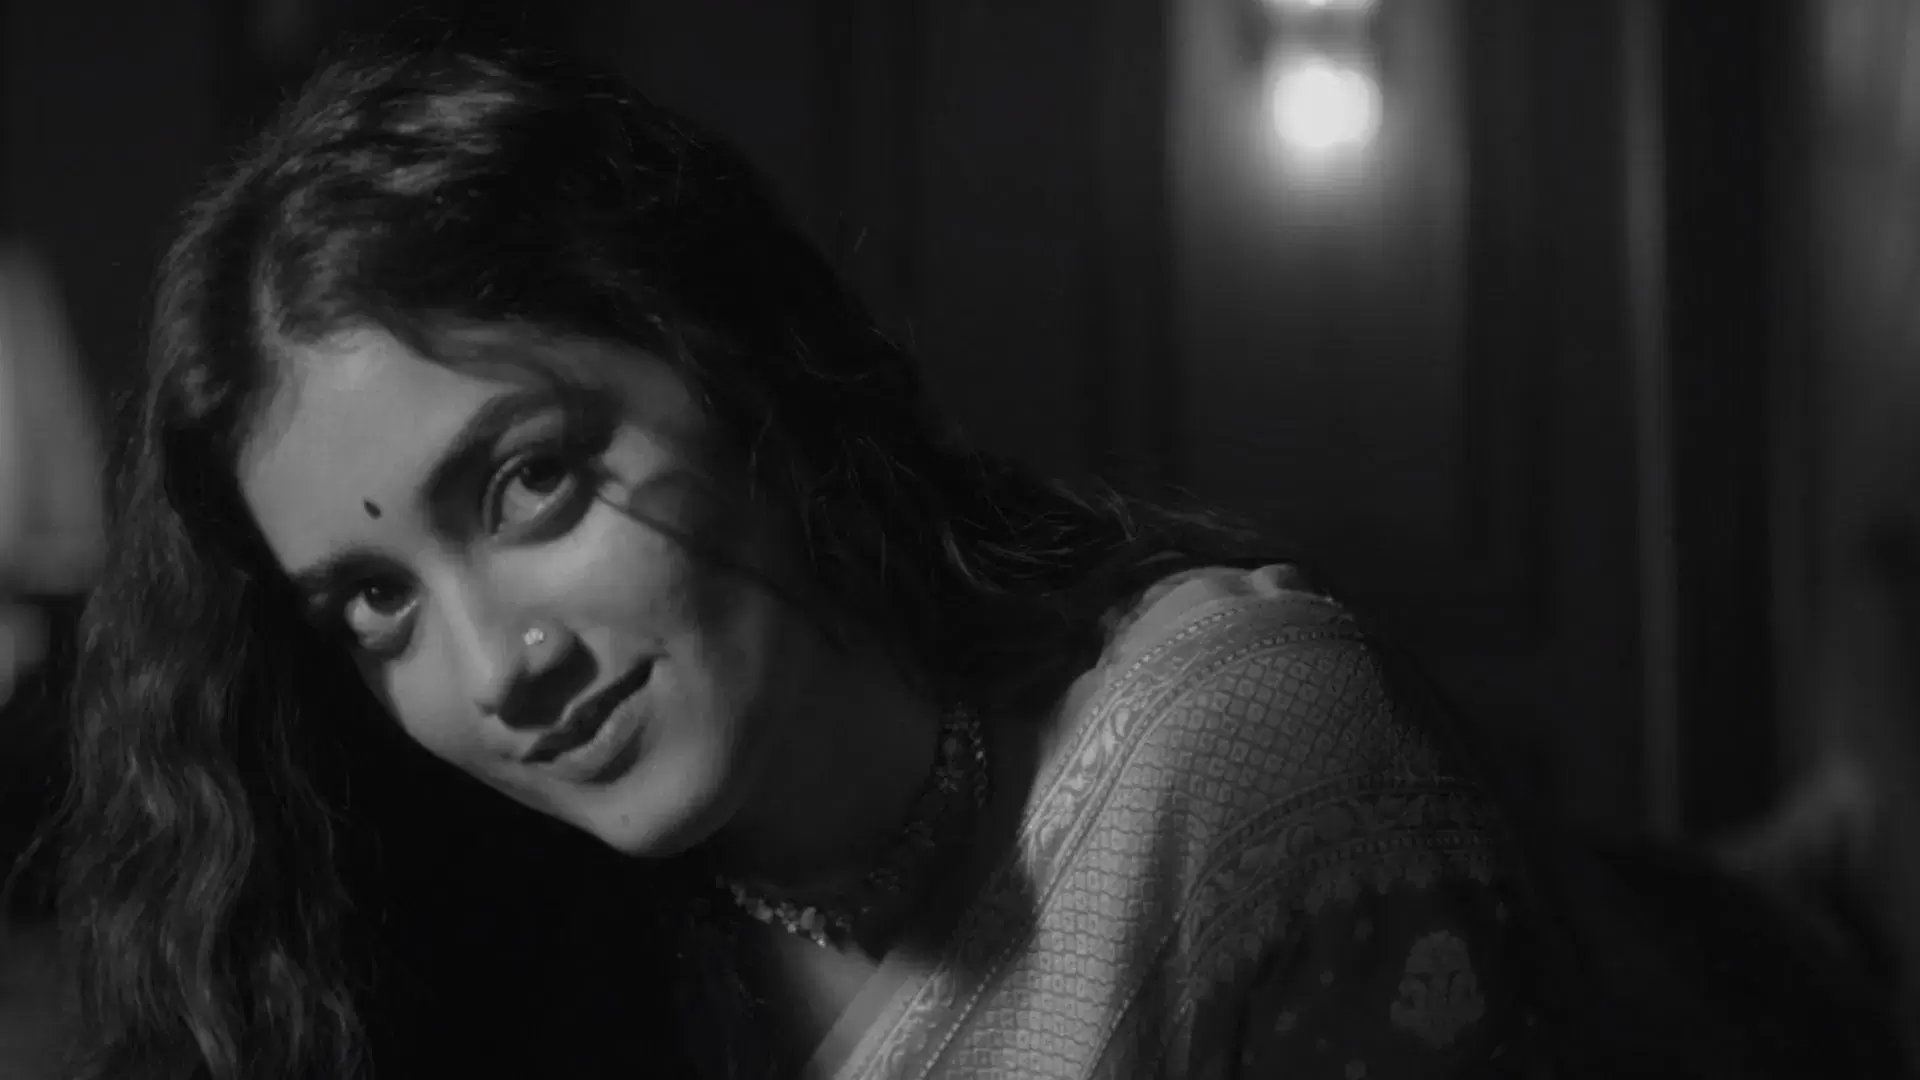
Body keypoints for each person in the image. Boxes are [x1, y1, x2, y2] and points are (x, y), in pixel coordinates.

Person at [55, 41, 1593, 1080]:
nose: (496, 670)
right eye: (376, 603)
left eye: (528, 483)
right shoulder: (511, 949)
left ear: (733, 361)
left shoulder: (1238, 759)